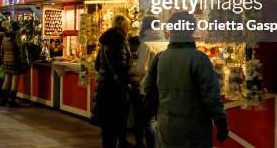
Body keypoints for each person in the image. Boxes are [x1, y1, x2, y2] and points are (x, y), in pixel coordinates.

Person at [142, 12, 228, 148]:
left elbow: (146, 88)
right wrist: (221, 123)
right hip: (195, 130)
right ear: (191, 30)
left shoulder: (159, 58)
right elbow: (211, 97)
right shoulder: (199, 59)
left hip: (167, 128)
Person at [92, 14, 133, 148]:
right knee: (118, 118)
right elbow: (122, 66)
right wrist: (126, 81)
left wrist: (105, 75)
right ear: (124, 26)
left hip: (103, 87)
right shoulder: (120, 40)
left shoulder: (105, 42)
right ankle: (120, 142)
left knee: (107, 123)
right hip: (115, 89)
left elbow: (97, 65)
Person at [135, 16, 168, 148]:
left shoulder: (146, 43)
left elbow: (140, 69)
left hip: (148, 87)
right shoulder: (166, 42)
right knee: (161, 120)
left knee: (149, 121)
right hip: (165, 86)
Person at [0, 22, 23, 107]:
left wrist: (3, 59)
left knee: (6, 80)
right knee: (15, 80)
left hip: (6, 60)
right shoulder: (16, 36)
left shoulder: (4, 37)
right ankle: (12, 101)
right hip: (15, 60)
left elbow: (1, 51)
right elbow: (20, 48)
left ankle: (3, 100)